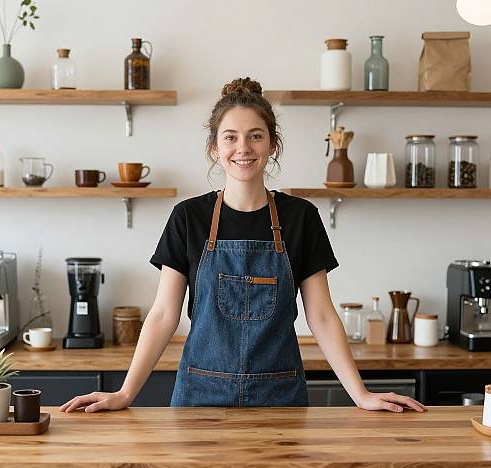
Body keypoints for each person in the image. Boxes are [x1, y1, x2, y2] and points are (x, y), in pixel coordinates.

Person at [60, 77, 427, 413]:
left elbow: (322, 315)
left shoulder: (301, 218)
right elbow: (162, 316)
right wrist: (125, 394)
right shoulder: (188, 218)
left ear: (272, 144)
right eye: (230, 137)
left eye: (255, 135)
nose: (243, 148)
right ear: (214, 148)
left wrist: (361, 395)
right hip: (199, 395)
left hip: (280, 396)